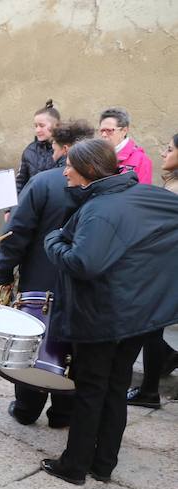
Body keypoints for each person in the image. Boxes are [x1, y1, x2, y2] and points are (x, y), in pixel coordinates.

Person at [41, 138, 178, 485]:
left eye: (69, 164)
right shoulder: (143, 194)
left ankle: (74, 466)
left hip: (103, 317)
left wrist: (53, 240)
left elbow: (83, 262)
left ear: (87, 170)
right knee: (114, 388)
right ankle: (102, 465)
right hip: (134, 316)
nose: (65, 170)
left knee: (90, 387)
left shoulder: (100, 209)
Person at [0, 119, 96, 428]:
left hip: (40, 279)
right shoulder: (102, 184)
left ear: (66, 149)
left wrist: (3, 273)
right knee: (72, 346)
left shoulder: (43, 182)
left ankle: (26, 408)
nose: (50, 153)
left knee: (32, 343)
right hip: (81, 284)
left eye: (52, 147)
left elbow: (17, 233)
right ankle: (63, 413)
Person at [125, 132, 178, 408]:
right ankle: (148, 390)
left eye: (169, 149)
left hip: (163, 269)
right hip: (165, 269)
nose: (163, 154)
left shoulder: (175, 191)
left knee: (150, 328)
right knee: (154, 330)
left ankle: (148, 391)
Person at [98, 107, 153, 184]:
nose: (103, 135)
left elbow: (143, 193)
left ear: (124, 131)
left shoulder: (141, 160)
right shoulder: (96, 156)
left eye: (109, 130)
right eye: (102, 130)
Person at [16, 99, 60, 194]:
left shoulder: (64, 150)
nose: (37, 130)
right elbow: (20, 183)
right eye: (35, 126)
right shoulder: (29, 150)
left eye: (41, 125)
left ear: (56, 126)